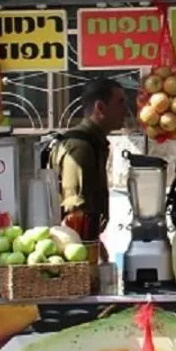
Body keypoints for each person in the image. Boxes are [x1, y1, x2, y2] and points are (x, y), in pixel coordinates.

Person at [52, 78, 128, 241]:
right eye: (120, 103)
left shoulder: (95, 142)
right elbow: (75, 209)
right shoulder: (81, 147)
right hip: (76, 243)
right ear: (100, 107)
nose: (126, 110)